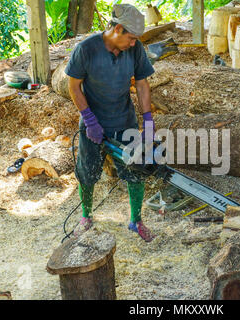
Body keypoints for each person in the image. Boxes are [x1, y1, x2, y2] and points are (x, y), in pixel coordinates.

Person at [65, 4, 156, 242]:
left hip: (124, 120)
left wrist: (147, 120)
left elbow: (143, 84)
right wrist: (89, 119)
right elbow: (73, 86)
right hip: (93, 123)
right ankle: (86, 217)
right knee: (87, 172)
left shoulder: (134, 50)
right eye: (132, 38)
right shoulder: (86, 49)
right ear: (117, 29)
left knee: (136, 171)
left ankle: (136, 220)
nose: (134, 43)